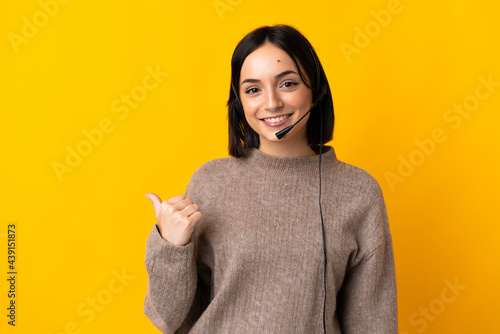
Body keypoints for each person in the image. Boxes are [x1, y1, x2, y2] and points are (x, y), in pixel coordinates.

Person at [143, 24, 398, 333]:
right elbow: (168, 318)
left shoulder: (359, 192)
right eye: (253, 89)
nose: (272, 103)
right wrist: (171, 246)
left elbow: (374, 322)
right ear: (239, 102)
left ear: (315, 91)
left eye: (288, 84)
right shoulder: (211, 182)